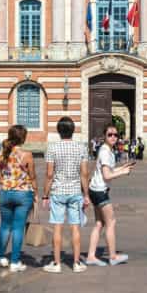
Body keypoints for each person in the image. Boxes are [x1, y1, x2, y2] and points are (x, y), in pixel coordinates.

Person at [41, 116, 90, 273]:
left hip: (58, 192)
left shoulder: (52, 148)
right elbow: (84, 173)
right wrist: (86, 194)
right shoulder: (81, 147)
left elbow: (49, 174)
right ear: (73, 130)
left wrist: (45, 195)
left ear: (59, 131)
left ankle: (56, 264)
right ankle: (76, 263)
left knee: (57, 227)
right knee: (75, 227)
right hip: (75, 191)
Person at [83, 123, 133, 266]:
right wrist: (122, 173)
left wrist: (121, 167)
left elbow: (108, 170)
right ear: (104, 136)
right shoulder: (105, 151)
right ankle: (112, 256)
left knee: (99, 223)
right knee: (111, 222)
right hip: (100, 191)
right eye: (109, 134)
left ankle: (91, 256)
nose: (113, 137)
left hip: (95, 189)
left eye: (115, 135)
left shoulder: (108, 150)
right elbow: (106, 175)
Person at [0, 124, 36, 271]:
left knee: (5, 226)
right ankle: (15, 262)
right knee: (18, 228)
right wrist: (36, 193)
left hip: (5, 193)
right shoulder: (27, 155)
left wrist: (6, 184)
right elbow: (32, 177)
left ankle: (2, 257)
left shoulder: (2, 153)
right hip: (23, 194)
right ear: (23, 138)